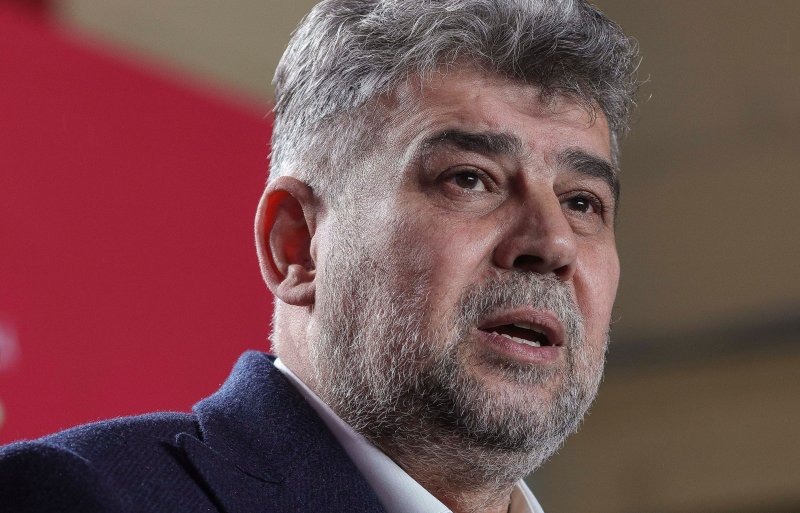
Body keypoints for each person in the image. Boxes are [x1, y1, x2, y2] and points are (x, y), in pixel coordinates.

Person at [0, 1, 638, 512]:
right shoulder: (78, 497)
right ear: (296, 245)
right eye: (470, 179)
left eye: (583, 202)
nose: (552, 244)